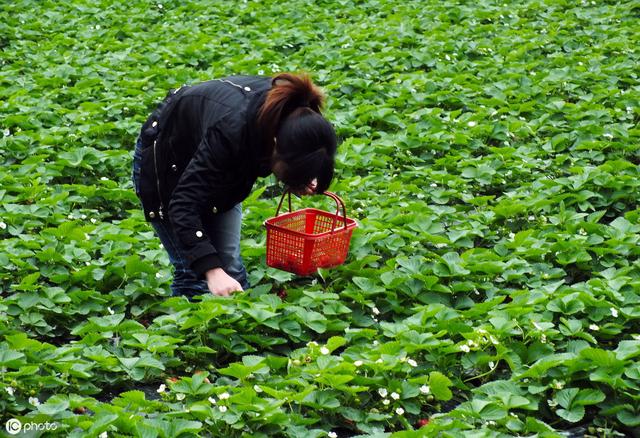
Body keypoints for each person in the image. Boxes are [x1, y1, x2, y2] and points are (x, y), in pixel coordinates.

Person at [131, 73, 337, 298]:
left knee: (230, 268)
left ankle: (237, 325)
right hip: (168, 161)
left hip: (220, 167)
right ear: (277, 145)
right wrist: (211, 270)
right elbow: (182, 204)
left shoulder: (298, 118)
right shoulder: (232, 128)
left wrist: (300, 177)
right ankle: (189, 329)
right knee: (194, 275)